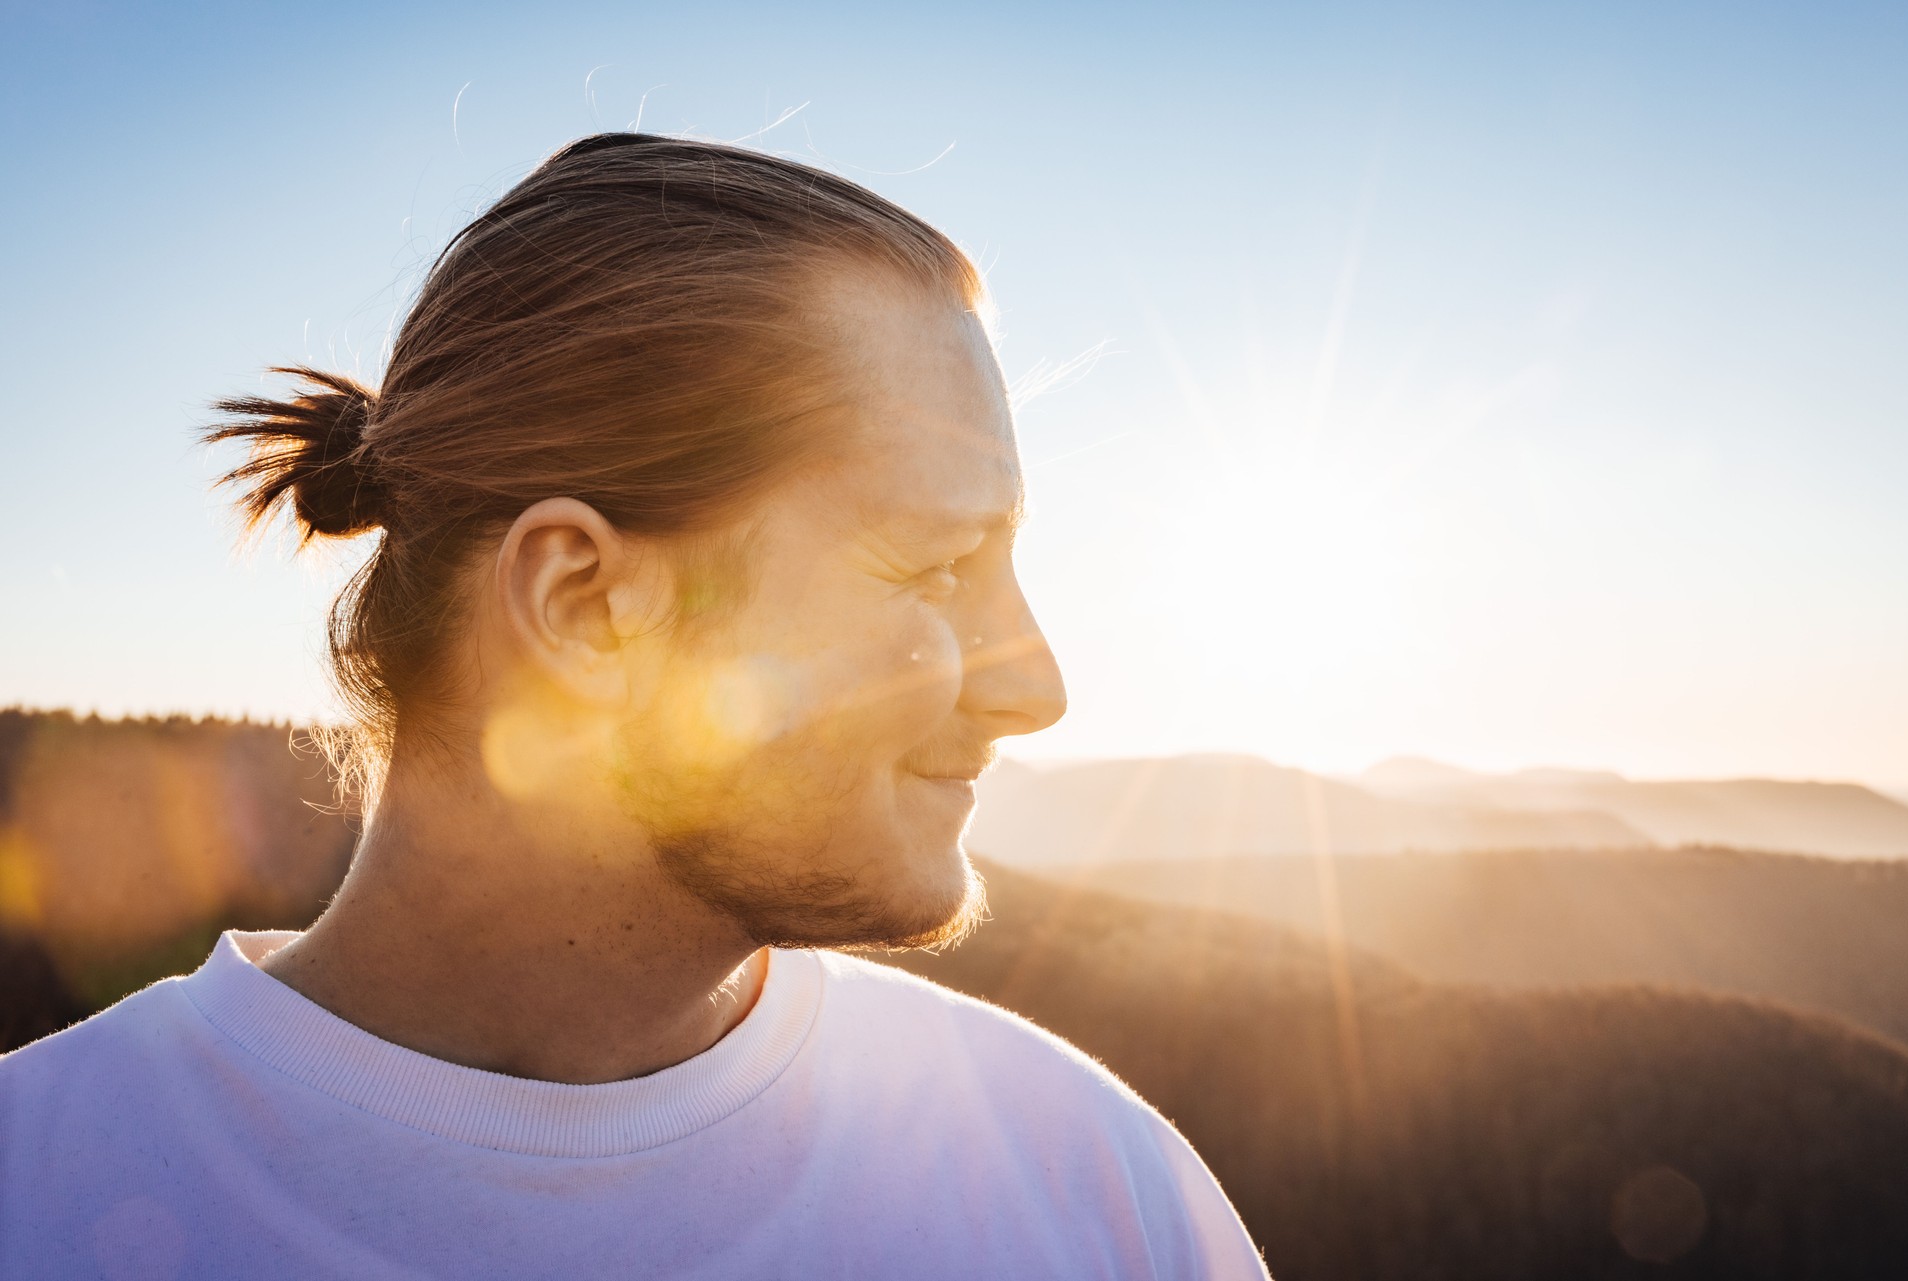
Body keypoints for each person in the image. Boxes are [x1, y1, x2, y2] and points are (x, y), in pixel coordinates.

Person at [0, 133, 1268, 1280]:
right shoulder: (35, 1203)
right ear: (587, 601)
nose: (1037, 688)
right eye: (935, 567)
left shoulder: (1096, 1195)